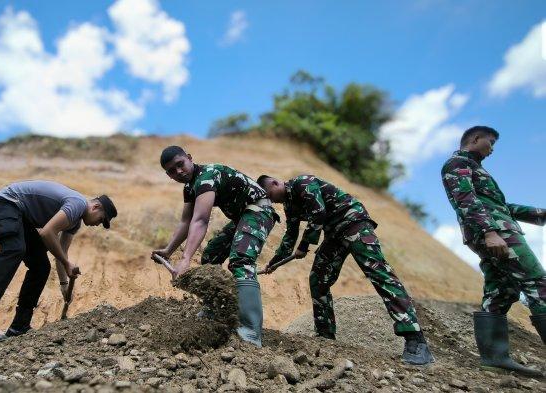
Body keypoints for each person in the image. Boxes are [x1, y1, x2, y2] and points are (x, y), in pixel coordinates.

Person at [257, 174, 434, 365]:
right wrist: (274, 262)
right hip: (334, 234)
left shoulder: (303, 183)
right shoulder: (289, 206)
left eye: (269, 194)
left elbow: (318, 212)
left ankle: (416, 340)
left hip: (354, 222)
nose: (271, 200)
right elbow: (290, 236)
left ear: (275, 183)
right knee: (318, 280)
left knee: (378, 273)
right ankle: (325, 338)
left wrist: (305, 244)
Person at [0, 180, 117, 348]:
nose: (98, 224)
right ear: (96, 207)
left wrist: (64, 285)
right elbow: (47, 232)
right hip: (4, 204)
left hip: (22, 217)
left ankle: (19, 326)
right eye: (101, 220)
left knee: (41, 266)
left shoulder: (74, 223)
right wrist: (67, 262)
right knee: (14, 249)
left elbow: (62, 252)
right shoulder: (78, 203)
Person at [441, 126, 545, 375]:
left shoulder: (475, 168)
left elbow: (498, 205)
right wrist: (489, 232)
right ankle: (494, 356)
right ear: (475, 139)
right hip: (498, 234)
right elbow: (465, 199)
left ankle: (495, 358)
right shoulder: (457, 163)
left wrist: (539, 214)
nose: (493, 149)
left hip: (496, 231)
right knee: (537, 283)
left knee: (501, 291)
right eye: (491, 142)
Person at [152, 146, 278, 347]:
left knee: (241, 259)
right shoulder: (190, 188)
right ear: (168, 175)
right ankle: (215, 310)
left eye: (180, 164)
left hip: (259, 210)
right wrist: (168, 250)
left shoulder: (207, 176)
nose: (179, 172)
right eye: (172, 171)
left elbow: (201, 220)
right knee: (211, 255)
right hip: (241, 217)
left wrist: (185, 260)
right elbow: (186, 222)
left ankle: (251, 331)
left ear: (190, 158)